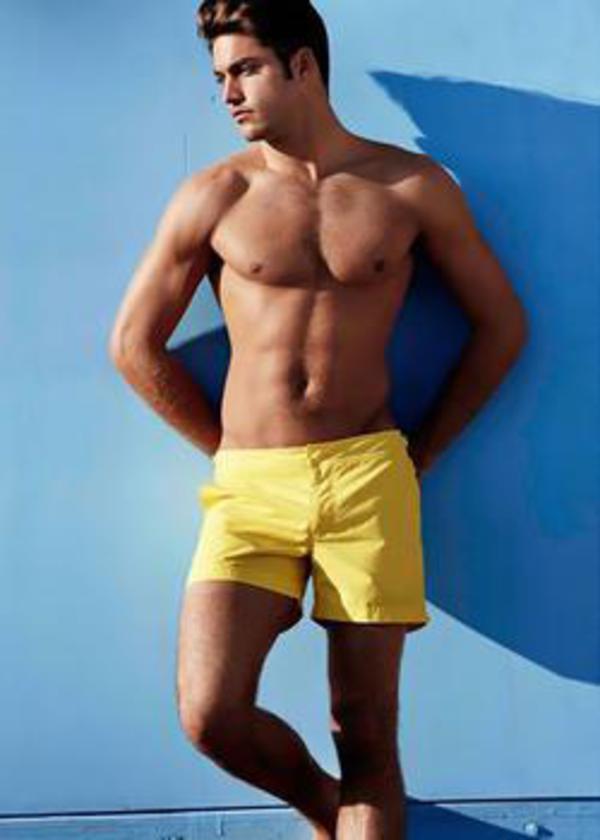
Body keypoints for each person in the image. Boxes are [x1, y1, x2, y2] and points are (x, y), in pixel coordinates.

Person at [108, 1, 528, 837]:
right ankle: (324, 807)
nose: (228, 93)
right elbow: (133, 345)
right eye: (220, 76)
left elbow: (502, 326)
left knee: (365, 729)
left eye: (246, 70)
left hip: (368, 476)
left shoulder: (409, 187)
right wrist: (227, 449)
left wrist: (422, 454)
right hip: (250, 488)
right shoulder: (215, 194)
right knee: (211, 714)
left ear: (302, 65)